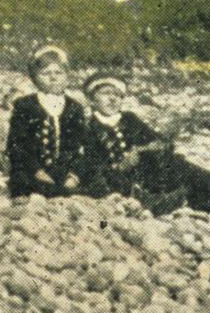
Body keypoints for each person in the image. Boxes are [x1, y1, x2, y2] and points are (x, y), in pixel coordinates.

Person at [78, 73, 187, 213]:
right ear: (92, 100)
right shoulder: (89, 128)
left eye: (117, 95)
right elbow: (91, 164)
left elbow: (161, 141)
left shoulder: (129, 119)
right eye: (106, 93)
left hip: (148, 176)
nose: (112, 98)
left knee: (180, 167)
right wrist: (120, 166)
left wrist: (145, 149)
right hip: (116, 183)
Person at [6, 46, 93, 198]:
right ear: (34, 77)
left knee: (92, 181)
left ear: (67, 76)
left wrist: (73, 176)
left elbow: (82, 146)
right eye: (45, 73)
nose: (53, 78)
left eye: (58, 72)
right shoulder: (25, 105)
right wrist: (37, 171)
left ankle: (67, 188)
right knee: (25, 182)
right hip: (35, 171)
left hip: (65, 173)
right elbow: (16, 145)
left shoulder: (74, 107)